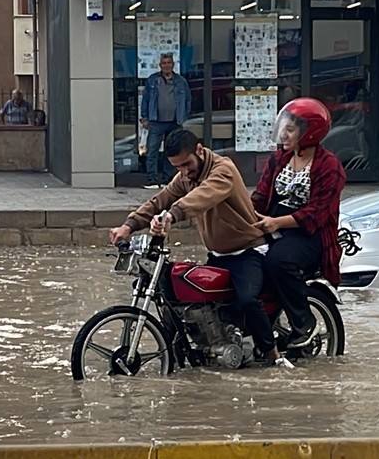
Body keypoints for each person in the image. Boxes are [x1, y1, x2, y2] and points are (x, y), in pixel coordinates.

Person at [109, 130, 292, 368]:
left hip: (248, 251)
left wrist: (171, 216)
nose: (184, 171)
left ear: (199, 150)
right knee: (182, 298)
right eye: (178, 167)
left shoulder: (222, 170)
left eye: (186, 164)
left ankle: (272, 354)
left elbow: (201, 197)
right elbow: (160, 200)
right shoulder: (185, 176)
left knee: (247, 300)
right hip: (218, 255)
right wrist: (129, 225)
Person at [251, 97, 345, 350]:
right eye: (284, 127)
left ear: (309, 133)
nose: (284, 134)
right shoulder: (278, 159)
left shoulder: (330, 166)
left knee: (278, 262)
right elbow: (260, 196)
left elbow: (316, 214)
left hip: (308, 234)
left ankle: (304, 322)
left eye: (291, 129)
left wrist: (275, 223)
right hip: (274, 223)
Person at [139, 53, 191, 190]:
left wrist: (183, 115)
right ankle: (152, 179)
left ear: (173, 64)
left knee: (172, 151)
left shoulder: (181, 82)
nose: (166, 65)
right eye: (164, 63)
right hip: (156, 121)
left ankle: (168, 178)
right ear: (160, 65)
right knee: (152, 151)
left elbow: (188, 100)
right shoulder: (152, 80)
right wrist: (144, 117)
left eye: (169, 63)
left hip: (175, 121)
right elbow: (146, 100)